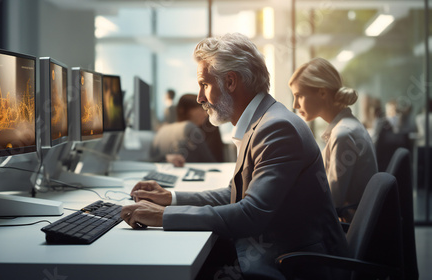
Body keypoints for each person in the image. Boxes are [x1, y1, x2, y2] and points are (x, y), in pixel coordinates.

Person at [121, 33, 348, 279]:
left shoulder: (277, 128)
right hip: (276, 253)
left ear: (230, 82)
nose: (199, 98)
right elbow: (233, 195)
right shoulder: (263, 122)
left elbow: (250, 215)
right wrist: (170, 198)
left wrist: (163, 216)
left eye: (204, 85)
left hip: (295, 267)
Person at [289, 57, 378, 222]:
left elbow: (331, 202)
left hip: (345, 230)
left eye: (299, 96)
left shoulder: (343, 134)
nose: (295, 104)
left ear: (322, 93)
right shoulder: (347, 127)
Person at [150, 93, 221, 166]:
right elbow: (211, 163)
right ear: (183, 110)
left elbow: (152, 160)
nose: (205, 114)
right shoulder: (190, 128)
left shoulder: (162, 130)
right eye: (201, 109)